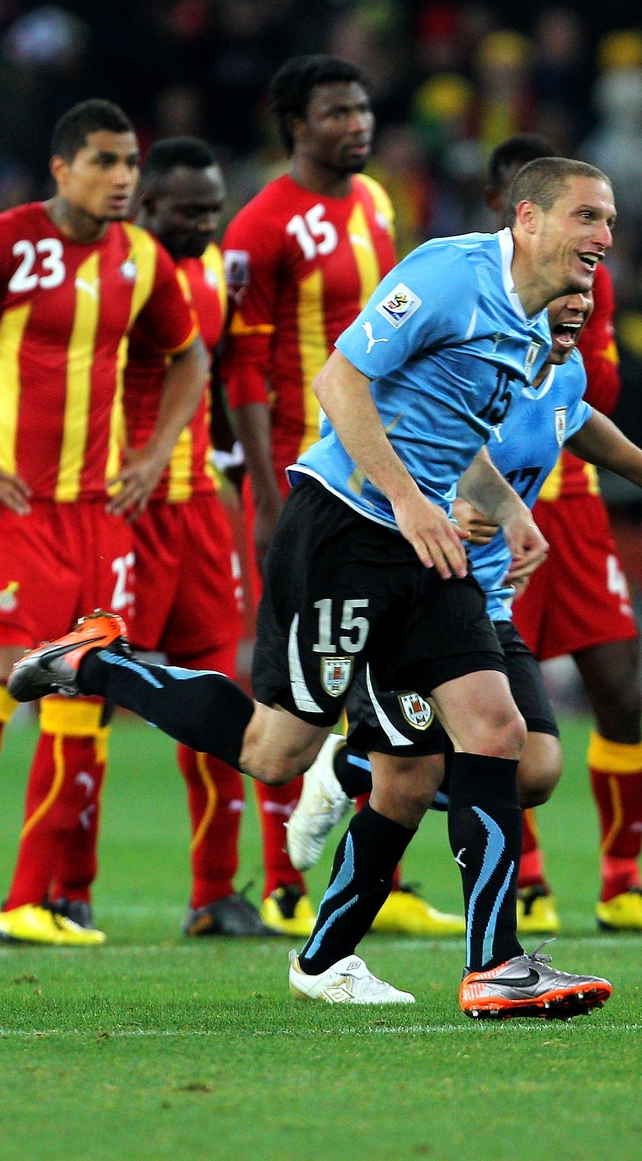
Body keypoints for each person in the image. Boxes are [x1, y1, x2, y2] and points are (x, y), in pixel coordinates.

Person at [9, 157, 632, 1019]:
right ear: (528, 218)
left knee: (486, 737)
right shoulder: (450, 273)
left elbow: (448, 433)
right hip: (345, 532)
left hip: (426, 548)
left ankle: (483, 964)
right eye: (588, 217)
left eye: (609, 221)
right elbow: (340, 382)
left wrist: (506, 510)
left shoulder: (536, 325)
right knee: (275, 755)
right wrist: (408, 499)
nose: (604, 237)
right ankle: (97, 663)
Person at [282, 289, 642, 1003]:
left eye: (586, 298)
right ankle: (472, 962)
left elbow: (579, 422)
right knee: (414, 776)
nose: (575, 312)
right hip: (415, 589)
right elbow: (392, 430)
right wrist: (443, 502)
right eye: (564, 298)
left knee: (535, 770)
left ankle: (350, 765)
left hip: (488, 604)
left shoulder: (564, 372)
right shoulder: (469, 364)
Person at [0, 100, 205, 948]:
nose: (123, 178)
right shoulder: (1, 243)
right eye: (104, 162)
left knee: (83, 689)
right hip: (12, 504)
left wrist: (153, 453)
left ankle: (30, 899)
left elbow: (190, 356)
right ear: (61, 168)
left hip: (100, 511)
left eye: (130, 162)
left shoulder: (141, 258)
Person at [483, 133, 642, 936]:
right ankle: (527, 879)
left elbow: (596, 391)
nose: (587, 233)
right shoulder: (471, 287)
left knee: (618, 681)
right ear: (511, 211)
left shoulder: (588, 282)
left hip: (571, 500)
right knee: (505, 703)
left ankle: (622, 881)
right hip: (490, 503)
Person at [217, 54, 413, 934]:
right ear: (296, 124)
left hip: (379, 473)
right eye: (338, 112)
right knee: (300, 686)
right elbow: (243, 370)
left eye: (363, 108)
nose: (358, 124)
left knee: (389, 676)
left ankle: (378, 878)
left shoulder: (374, 203)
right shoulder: (261, 226)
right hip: (307, 483)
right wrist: (267, 497)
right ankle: (282, 881)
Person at [115, 138, 291, 937]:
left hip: (196, 510)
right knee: (90, 686)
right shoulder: (116, 270)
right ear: (148, 205)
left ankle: (214, 892)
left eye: (214, 209)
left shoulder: (215, 270)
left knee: (218, 696)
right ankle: (52, 891)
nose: (207, 223)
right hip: (121, 504)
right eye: (190, 211)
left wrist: (230, 469)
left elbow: (220, 380)